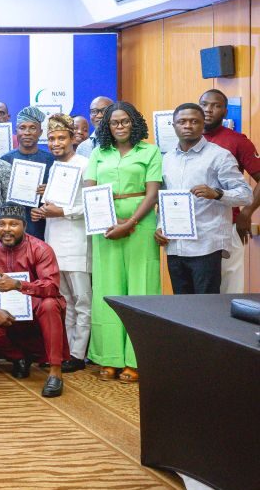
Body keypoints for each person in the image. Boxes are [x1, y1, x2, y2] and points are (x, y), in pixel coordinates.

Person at [83, 101, 160, 382]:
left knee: (141, 288)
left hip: (141, 226)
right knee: (108, 289)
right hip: (105, 228)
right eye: (114, 122)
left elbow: (152, 193)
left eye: (125, 121)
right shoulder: (98, 153)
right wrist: (110, 222)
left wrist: (130, 223)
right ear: (107, 126)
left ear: (134, 122)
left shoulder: (150, 152)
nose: (120, 126)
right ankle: (110, 357)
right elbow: (90, 190)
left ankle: (136, 360)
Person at [156, 103, 251, 294]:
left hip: (206, 245)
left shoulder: (219, 156)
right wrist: (160, 226)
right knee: (181, 305)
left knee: (205, 305)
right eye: (182, 121)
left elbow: (246, 194)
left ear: (202, 125)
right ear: (173, 125)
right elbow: (163, 199)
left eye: (194, 121)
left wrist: (218, 193)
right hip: (175, 245)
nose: (188, 126)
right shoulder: (166, 159)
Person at [0, 204, 69, 398]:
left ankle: (55, 372)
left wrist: (19, 285)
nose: (7, 229)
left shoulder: (41, 249)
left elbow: (51, 286)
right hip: (5, 316)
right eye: (1, 224)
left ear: (24, 226)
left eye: (13, 224)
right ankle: (19, 358)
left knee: (50, 304)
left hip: (37, 314)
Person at [32, 114, 90, 372]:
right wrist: (42, 210)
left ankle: (78, 354)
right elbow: (54, 204)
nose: (56, 143)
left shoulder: (86, 165)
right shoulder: (55, 167)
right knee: (63, 300)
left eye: (61, 138)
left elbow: (90, 204)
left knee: (82, 300)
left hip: (77, 241)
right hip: (54, 241)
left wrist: (63, 212)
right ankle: (64, 351)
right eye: (52, 139)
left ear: (72, 138)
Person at [199, 88, 260, 294]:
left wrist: (246, 212)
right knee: (198, 291)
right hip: (194, 228)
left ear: (225, 112)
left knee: (229, 288)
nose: (209, 110)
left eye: (216, 106)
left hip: (228, 224)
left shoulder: (237, 140)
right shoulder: (184, 141)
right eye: (204, 104)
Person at [1, 106, 55, 240]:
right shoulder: (5, 161)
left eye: (32, 128)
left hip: (42, 226)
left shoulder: (52, 161)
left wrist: (49, 191)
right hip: (11, 227)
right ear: (16, 131)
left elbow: (61, 196)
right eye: (22, 127)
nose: (27, 132)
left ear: (40, 132)